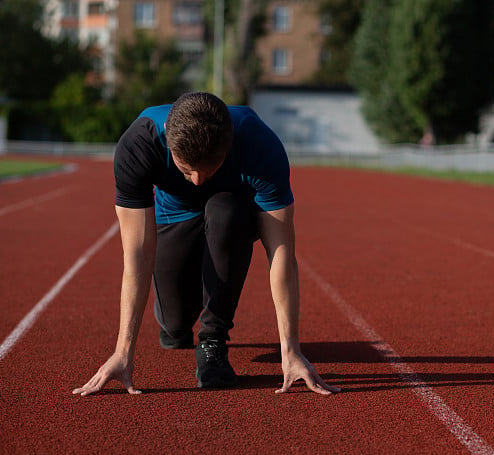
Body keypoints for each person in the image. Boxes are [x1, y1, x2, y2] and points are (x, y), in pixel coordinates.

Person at [73, 91, 339, 396]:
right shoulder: (139, 145)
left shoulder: (258, 143)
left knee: (227, 210)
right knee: (174, 327)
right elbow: (137, 254)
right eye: (187, 170)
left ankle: (213, 338)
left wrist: (290, 350)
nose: (198, 181)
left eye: (210, 168)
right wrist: (123, 352)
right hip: (173, 215)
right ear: (169, 145)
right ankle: (178, 325)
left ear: (229, 146)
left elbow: (281, 255)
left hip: (231, 214)